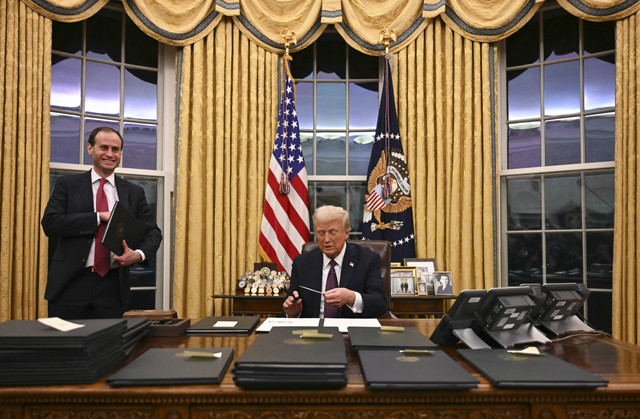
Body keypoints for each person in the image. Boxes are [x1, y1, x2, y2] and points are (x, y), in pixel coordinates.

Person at [41, 127, 162, 319]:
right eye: (103, 147)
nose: (110, 154)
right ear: (90, 149)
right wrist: (98, 217)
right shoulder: (68, 185)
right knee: (66, 347)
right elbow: (50, 223)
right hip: (70, 284)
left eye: (116, 149)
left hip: (113, 287)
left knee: (110, 347)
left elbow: (153, 233)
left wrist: (138, 255)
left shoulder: (134, 192)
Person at [283, 205, 386, 318]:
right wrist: (292, 312)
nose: (326, 239)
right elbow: (291, 304)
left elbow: (380, 304)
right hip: (312, 331)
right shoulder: (302, 263)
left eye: (332, 232)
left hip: (351, 331)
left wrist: (352, 298)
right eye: (321, 233)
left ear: (346, 233)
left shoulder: (367, 259)